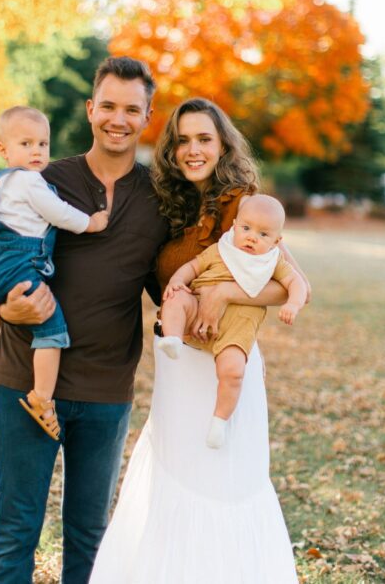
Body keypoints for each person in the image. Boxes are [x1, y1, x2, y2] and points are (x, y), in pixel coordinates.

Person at [88, 97, 310, 583]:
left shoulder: (244, 202)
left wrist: (224, 293)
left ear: (223, 144)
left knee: (223, 482)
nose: (193, 149)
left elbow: (289, 282)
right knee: (178, 479)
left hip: (225, 365)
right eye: (183, 140)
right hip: (177, 367)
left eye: (204, 139)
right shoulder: (167, 202)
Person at [0, 56, 168, 583]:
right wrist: (3, 308)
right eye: (108, 106)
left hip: (107, 393)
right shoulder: (42, 177)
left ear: (147, 116)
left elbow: (167, 285)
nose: (118, 119)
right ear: (90, 110)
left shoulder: (157, 199)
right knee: (16, 529)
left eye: (132, 109)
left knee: (90, 537)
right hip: (24, 384)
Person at [0, 106, 110, 439]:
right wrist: (90, 223)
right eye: (26, 144)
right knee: (52, 331)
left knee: (3, 294)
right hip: (18, 265)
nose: (37, 152)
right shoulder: (31, 182)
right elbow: (59, 213)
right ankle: (42, 398)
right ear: (3, 149)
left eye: (43, 144)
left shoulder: (0, 181)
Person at [158, 193, 307, 447]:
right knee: (175, 299)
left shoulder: (272, 262)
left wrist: (293, 304)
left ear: (277, 241)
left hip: (236, 329)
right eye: (246, 228)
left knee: (233, 372)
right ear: (235, 225)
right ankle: (171, 338)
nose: (251, 237)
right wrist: (176, 282)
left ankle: (220, 421)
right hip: (197, 309)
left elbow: (298, 283)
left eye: (263, 235)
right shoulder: (221, 249)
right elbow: (192, 267)